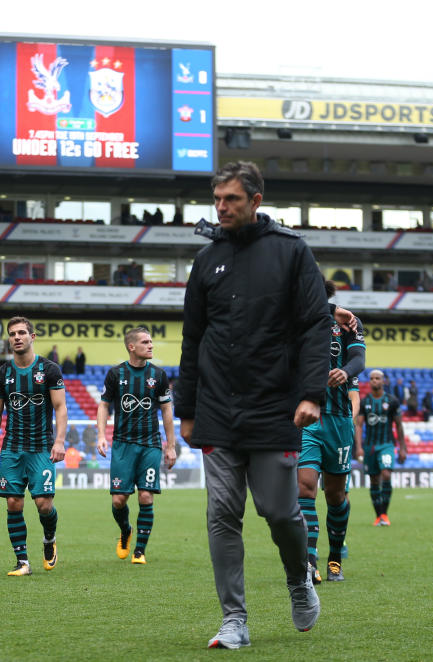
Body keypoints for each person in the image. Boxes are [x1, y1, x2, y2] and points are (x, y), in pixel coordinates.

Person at [174, 161, 328, 648]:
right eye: (217, 199)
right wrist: (188, 409)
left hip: (273, 407)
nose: (221, 208)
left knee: (279, 512)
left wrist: (311, 393)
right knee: (221, 513)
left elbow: (315, 326)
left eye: (231, 200)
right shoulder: (206, 261)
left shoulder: (292, 252)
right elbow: (193, 337)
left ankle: (299, 579)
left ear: (256, 200)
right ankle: (233, 619)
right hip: (217, 410)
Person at [0, 316, 67, 577]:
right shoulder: (3, 373)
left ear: (32, 337)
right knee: (13, 504)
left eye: (21, 333)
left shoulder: (50, 369)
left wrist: (60, 441)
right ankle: (22, 562)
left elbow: (61, 407)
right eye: (12, 333)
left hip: (41, 448)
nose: (16, 337)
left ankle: (49, 539)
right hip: (12, 449)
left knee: (43, 504)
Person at [298, 282, 365, 584]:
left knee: (335, 495)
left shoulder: (349, 323)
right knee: (305, 488)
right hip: (307, 415)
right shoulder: (297, 319)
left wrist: (346, 371)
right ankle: (309, 561)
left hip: (338, 420)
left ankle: (334, 557)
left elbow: (359, 360)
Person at [96, 326, 177, 565]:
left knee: (145, 496)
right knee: (119, 500)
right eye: (145, 342)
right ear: (132, 347)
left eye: (151, 341)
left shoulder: (159, 376)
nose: (150, 345)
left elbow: (166, 411)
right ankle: (126, 530)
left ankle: (140, 551)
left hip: (150, 444)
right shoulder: (115, 374)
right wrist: (101, 434)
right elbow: (103, 405)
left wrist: (170, 445)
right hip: (122, 444)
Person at [356, 369, 407, 527]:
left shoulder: (392, 401)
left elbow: (398, 425)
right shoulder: (365, 402)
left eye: (377, 378)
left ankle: (384, 514)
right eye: (372, 378)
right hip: (370, 446)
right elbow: (359, 425)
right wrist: (358, 447)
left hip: (386, 445)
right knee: (373, 480)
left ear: (383, 381)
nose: (374, 381)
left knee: (386, 473)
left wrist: (403, 448)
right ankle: (378, 516)